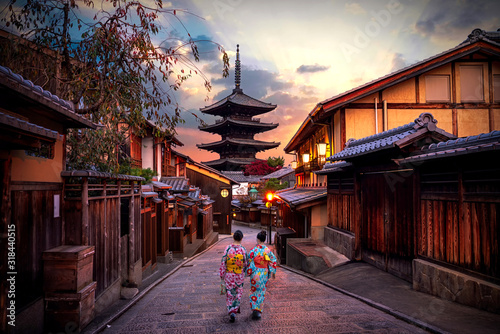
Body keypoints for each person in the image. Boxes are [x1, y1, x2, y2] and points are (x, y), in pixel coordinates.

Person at [246, 230, 277, 320]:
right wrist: (273, 272)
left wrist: (249, 271)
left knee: (254, 290)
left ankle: (254, 309)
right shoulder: (267, 250)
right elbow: (272, 260)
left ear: (258, 239)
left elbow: (249, 260)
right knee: (261, 292)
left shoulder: (254, 250)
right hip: (264, 273)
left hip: (255, 272)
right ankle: (258, 311)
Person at [219, 230, 248, 323]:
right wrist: (243, 271)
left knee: (230, 293)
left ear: (233, 237)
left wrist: (222, 275)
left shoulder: (228, 249)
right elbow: (245, 263)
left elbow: (223, 262)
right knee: (238, 292)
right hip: (239, 274)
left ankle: (231, 310)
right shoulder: (243, 250)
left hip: (229, 274)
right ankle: (235, 309)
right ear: (241, 238)